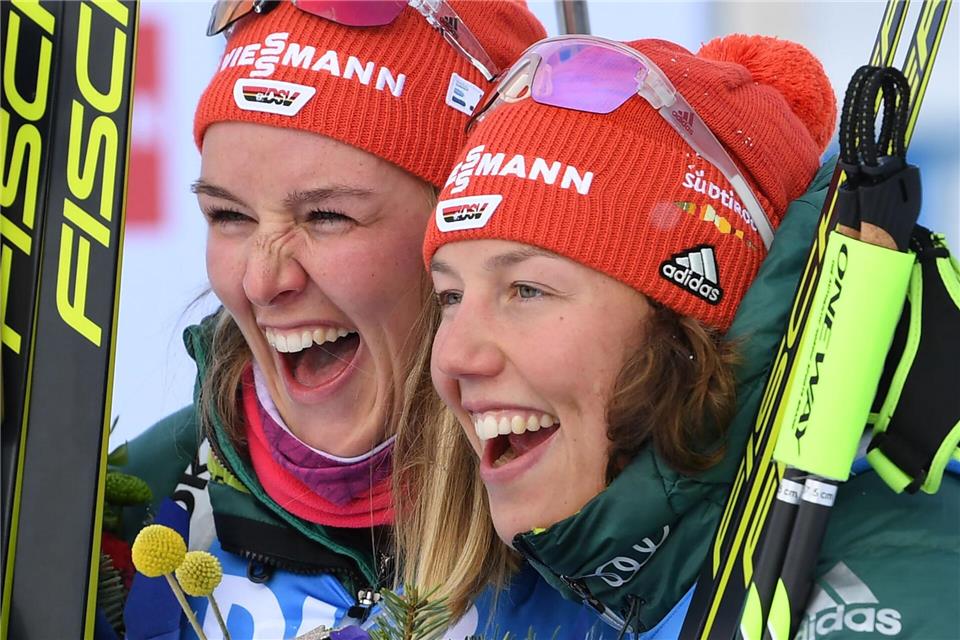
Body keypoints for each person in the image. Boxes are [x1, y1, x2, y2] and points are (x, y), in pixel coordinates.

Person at [408, 32, 960, 637]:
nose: (455, 356)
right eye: (451, 298)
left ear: (688, 327)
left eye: (527, 290)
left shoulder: (903, 587)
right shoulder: (527, 590)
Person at [111, 3, 609, 638]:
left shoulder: (600, 517)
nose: (263, 281)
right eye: (228, 216)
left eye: (327, 217)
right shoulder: (136, 506)